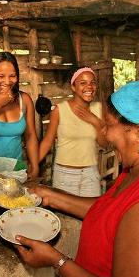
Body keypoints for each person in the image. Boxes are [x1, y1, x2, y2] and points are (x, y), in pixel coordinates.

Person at [15, 81, 139, 277]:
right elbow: (112, 210)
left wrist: (57, 261)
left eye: (108, 125)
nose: (104, 133)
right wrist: (50, 196)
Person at [39, 67, 106, 197]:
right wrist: (34, 165)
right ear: (73, 87)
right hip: (65, 174)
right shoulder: (59, 110)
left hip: (90, 174)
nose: (89, 86)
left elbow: (104, 144)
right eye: (83, 83)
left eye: (92, 82)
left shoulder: (99, 109)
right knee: (65, 216)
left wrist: (96, 122)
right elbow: (47, 142)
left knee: (91, 214)